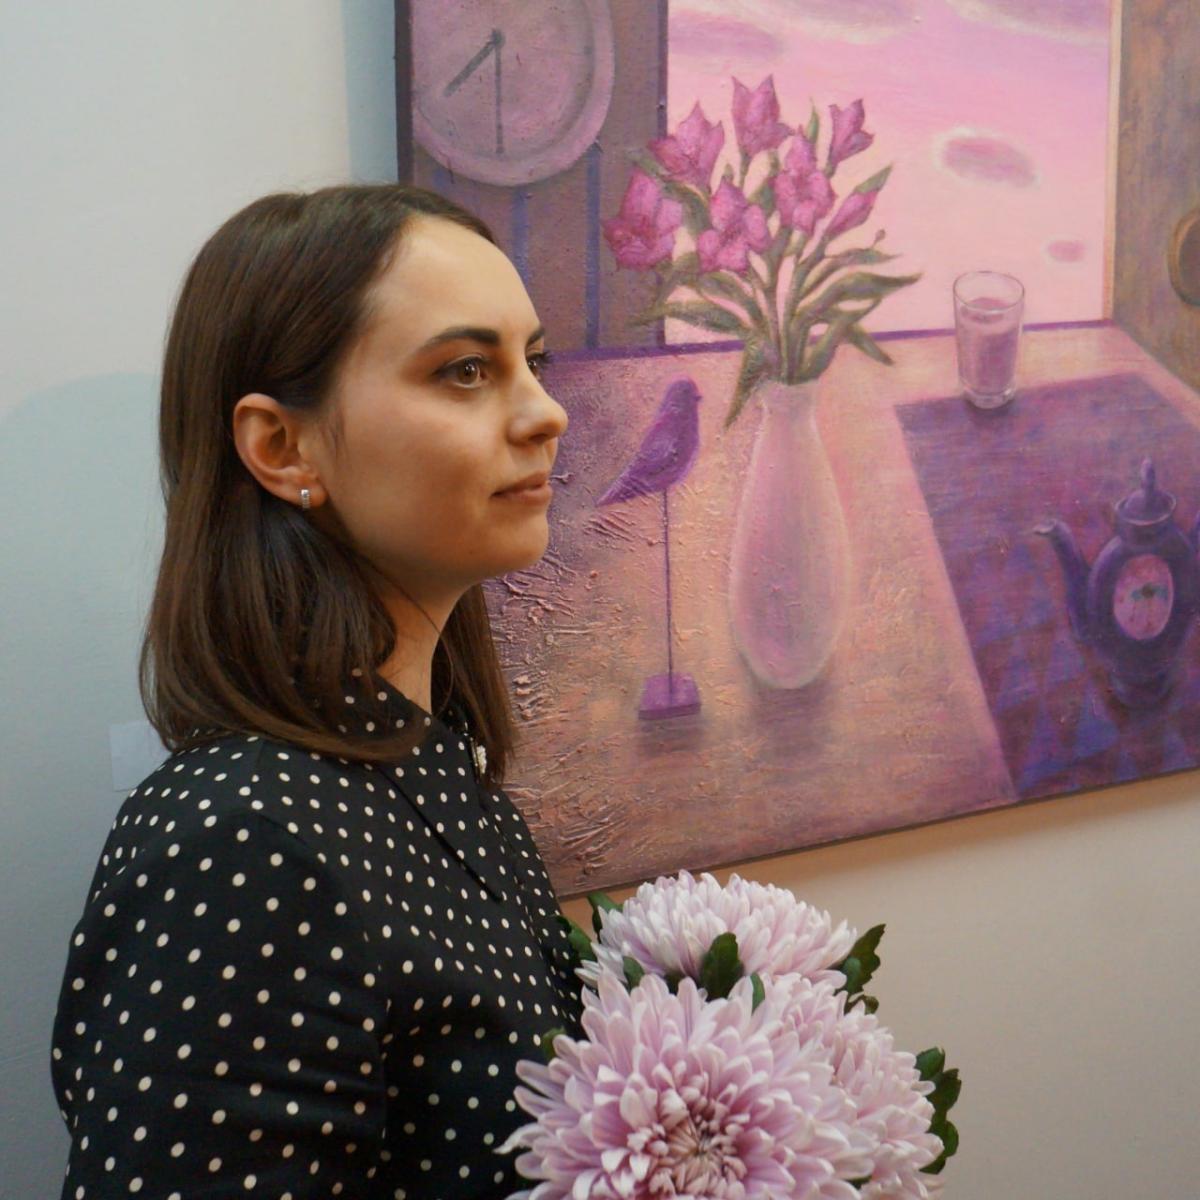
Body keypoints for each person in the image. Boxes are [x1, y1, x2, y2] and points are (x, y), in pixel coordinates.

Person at [50, 184, 582, 1199]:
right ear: (281, 448)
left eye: (534, 361)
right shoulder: (242, 842)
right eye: (466, 370)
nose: (545, 411)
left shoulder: (438, 775)